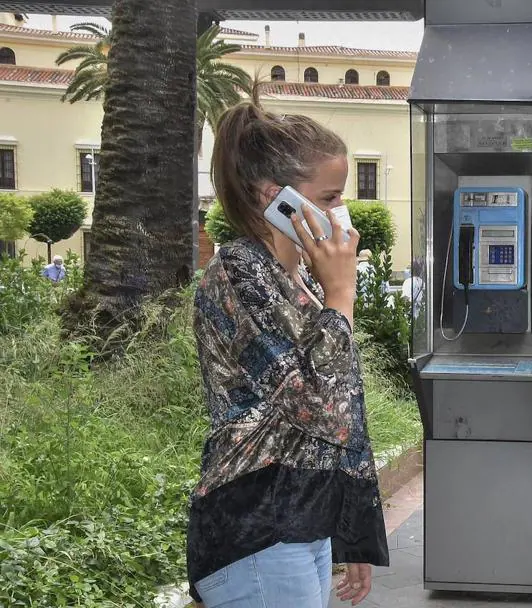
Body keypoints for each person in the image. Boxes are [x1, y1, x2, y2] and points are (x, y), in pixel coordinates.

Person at [188, 102, 387, 608]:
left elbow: (344, 412)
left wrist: (351, 527)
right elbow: (313, 403)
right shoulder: (238, 273)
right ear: (277, 198)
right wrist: (341, 298)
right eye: (330, 196)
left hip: (301, 517)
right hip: (259, 522)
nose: (341, 209)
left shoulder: (295, 279)